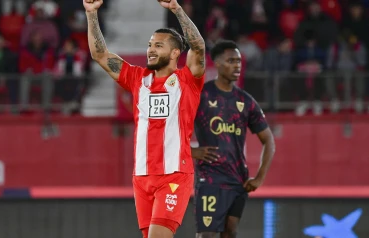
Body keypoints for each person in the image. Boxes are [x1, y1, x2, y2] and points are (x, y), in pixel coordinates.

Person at [82, 0, 206, 237]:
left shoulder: (187, 80)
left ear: (174, 53)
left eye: (158, 45)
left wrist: (177, 10)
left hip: (173, 175)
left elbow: (198, 47)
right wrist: (92, 14)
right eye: (150, 45)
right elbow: (100, 54)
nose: (150, 49)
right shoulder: (138, 79)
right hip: (141, 176)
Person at [192, 40, 275, 238]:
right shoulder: (201, 95)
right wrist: (190, 150)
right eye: (231, 61)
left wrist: (260, 177)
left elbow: (269, 141)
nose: (237, 65)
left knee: (230, 232)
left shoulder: (246, 101)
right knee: (207, 234)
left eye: (238, 61)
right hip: (210, 178)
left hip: (238, 179)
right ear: (218, 64)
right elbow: (170, 128)